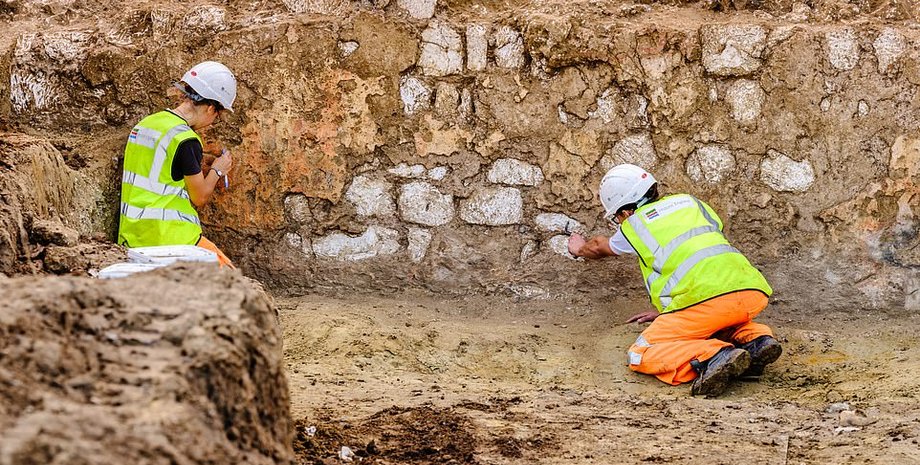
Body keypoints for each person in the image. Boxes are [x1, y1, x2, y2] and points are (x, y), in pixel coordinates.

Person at [567, 163, 782, 396]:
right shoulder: (691, 203)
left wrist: (578, 249)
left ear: (626, 212)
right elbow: (695, 254)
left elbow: (600, 247)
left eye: (618, 217)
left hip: (706, 300)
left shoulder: (636, 224)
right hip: (750, 291)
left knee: (641, 353)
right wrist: (671, 313)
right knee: (715, 324)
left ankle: (714, 355)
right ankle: (758, 340)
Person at [117, 61, 237, 267]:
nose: (213, 121)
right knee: (233, 282)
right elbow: (199, 196)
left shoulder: (145, 124)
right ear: (210, 108)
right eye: (217, 115)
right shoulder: (185, 139)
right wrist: (218, 170)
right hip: (171, 238)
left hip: (132, 237)